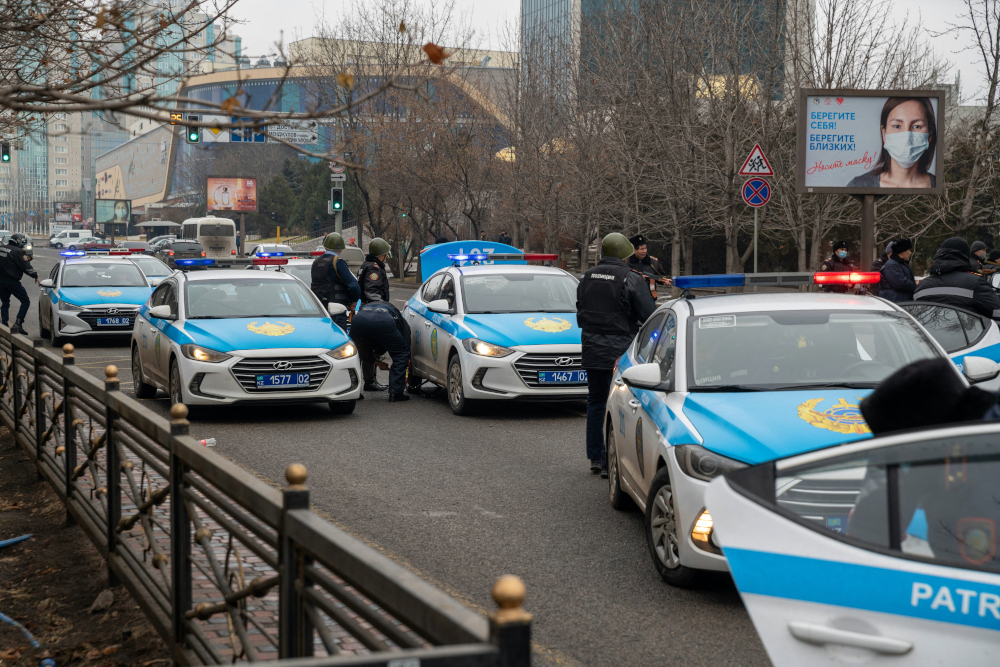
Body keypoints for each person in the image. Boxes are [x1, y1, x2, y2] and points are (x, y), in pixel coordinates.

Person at [577, 232, 657, 477]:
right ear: (625, 254)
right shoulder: (631, 278)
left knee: (596, 401)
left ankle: (596, 457)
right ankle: (615, 462)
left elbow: (582, 309)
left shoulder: (586, 277)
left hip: (592, 347)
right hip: (621, 352)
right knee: (623, 406)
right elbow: (649, 315)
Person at [846, 97, 937, 189]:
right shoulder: (858, 185)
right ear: (884, 133)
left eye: (916, 126)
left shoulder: (939, 186)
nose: (907, 139)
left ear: (929, 135)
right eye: (897, 126)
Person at [913, 237, 1000, 318]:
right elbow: (997, 311)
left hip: (928, 334)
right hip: (971, 333)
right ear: (965, 256)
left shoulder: (921, 287)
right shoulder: (975, 283)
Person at [350, 299, 412, 402]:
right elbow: (404, 350)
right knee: (401, 353)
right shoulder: (403, 324)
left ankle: (351, 391)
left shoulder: (369, 307)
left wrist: (377, 362)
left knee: (353, 353)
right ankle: (395, 393)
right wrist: (404, 371)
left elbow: (363, 350)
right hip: (383, 320)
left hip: (359, 319)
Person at [356, 237, 392, 391]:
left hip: (365, 310)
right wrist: (383, 308)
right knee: (374, 346)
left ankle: (367, 381)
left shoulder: (366, 265)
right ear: (381, 254)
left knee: (366, 347)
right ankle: (370, 382)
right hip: (373, 312)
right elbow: (372, 292)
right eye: (385, 254)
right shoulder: (374, 268)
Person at [310, 232, 361, 330]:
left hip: (320, 309)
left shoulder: (316, 262)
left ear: (325, 246)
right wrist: (354, 301)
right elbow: (353, 286)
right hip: (337, 310)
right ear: (341, 248)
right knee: (339, 338)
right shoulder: (338, 262)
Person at [0, 233, 39, 334]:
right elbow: (26, 267)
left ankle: (4, 325)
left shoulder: (1, 248)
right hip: (12, 282)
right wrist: (35, 276)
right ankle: (18, 324)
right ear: (19, 241)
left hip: (1, 281)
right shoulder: (19, 252)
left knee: (5, 303)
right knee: (25, 301)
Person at [626, 234, 669, 298]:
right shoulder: (627, 263)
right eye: (641, 249)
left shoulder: (653, 262)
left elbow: (660, 276)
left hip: (649, 298)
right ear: (634, 250)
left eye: (645, 248)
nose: (644, 251)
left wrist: (664, 281)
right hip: (631, 298)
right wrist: (638, 278)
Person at [878, 238, 916, 303]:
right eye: (908, 250)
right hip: (895, 303)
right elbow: (901, 283)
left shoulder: (902, 264)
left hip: (901, 301)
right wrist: (917, 286)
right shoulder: (891, 265)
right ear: (902, 252)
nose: (910, 253)